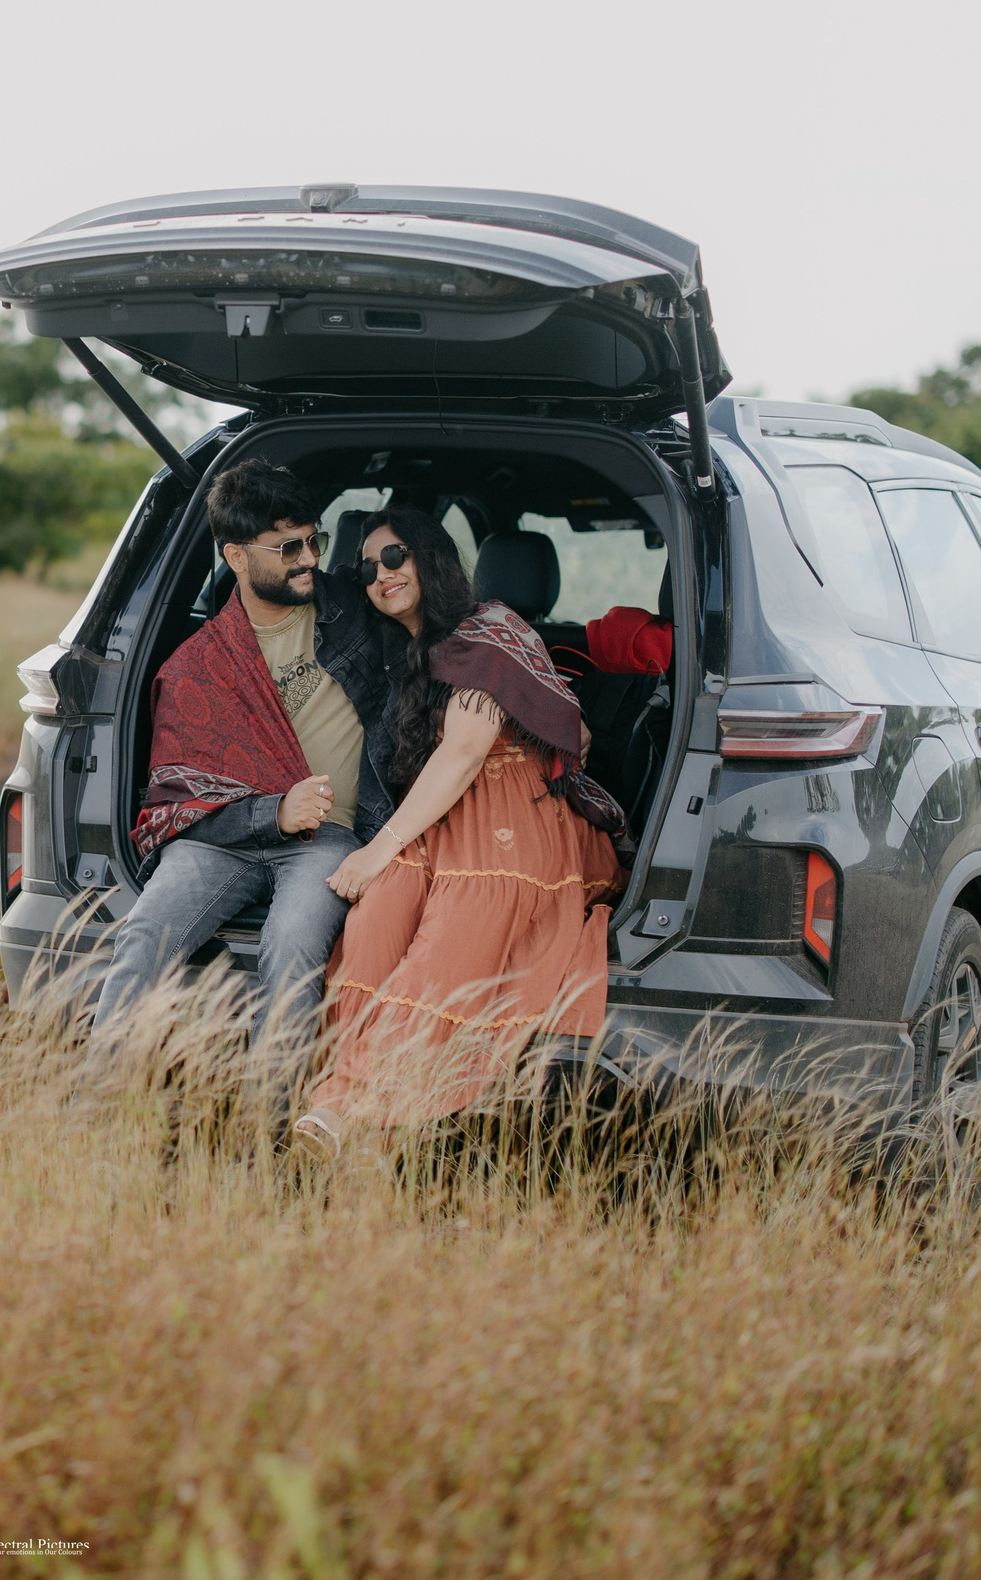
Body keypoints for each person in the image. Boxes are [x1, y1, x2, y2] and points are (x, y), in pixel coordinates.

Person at [296, 507, 627, 1149]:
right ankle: (355, 1102)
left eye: (395, 556)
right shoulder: (405, 651)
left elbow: (464, 753)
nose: (381, 574)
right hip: (444, 818)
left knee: (456, 927)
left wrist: (374, 851)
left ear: (431, 558)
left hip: (517, 817)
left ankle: (346, 1107)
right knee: (376, 918)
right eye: (367, 568)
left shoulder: (489, 631)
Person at [88, 460, 397, 1111]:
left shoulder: (355, 615)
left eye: (314, 541)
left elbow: (443, 628)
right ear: (235, 555)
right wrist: (272, 812)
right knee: (144, 934)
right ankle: (93, 1115)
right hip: (221, 840)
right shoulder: (198, 663)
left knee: (291, 946)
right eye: (288, 548)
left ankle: (264, 1130)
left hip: (327, 840)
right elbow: (179, 802)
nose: (308, 559)